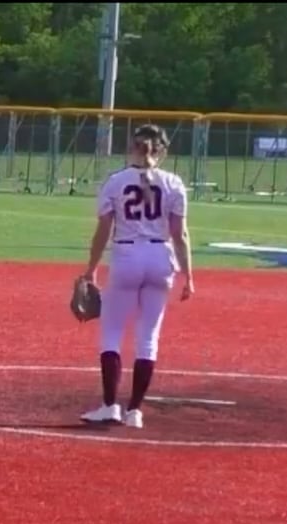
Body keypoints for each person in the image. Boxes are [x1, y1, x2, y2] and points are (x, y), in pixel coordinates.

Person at [77, 124, 193, 430]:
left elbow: (103, 231)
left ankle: (109, 406)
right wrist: (189, 276)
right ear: (162, 152)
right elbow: (180, 235)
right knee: (148, 338)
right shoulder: (173, 183)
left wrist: (91, 269)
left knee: (112, 333)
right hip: (161, 257)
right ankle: (135, 411)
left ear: (132, 148)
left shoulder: (116, 181)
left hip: (127, 255)